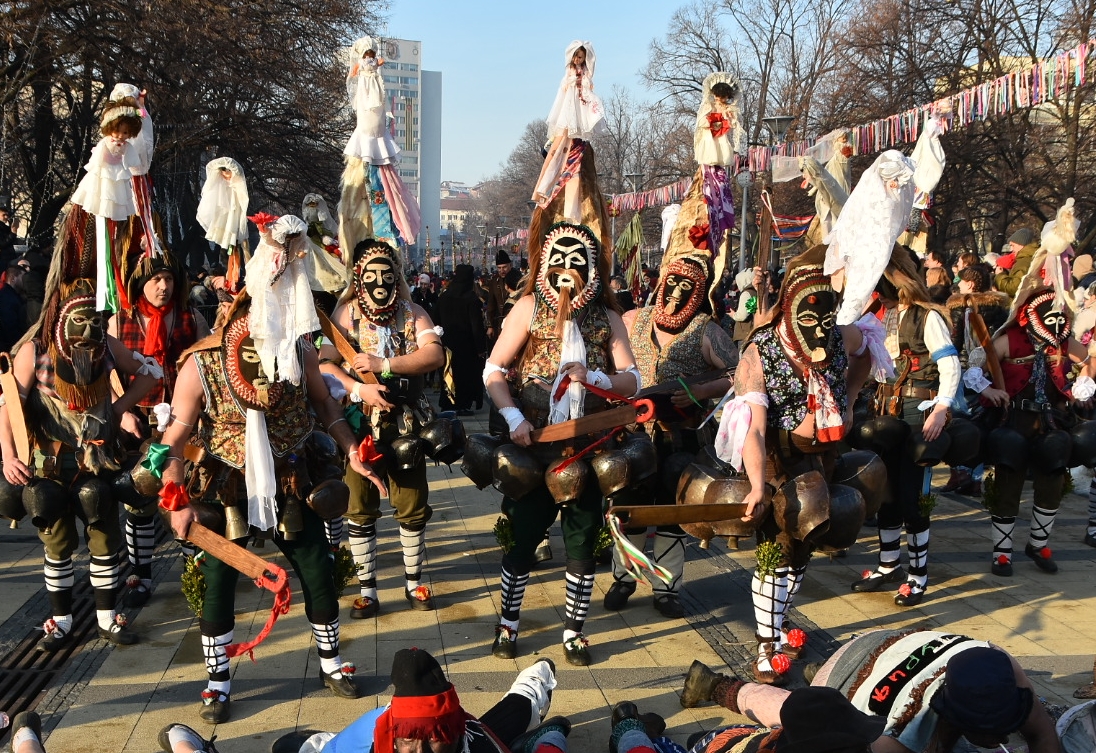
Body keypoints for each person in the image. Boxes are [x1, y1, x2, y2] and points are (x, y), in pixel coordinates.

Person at [161, 222, 387, 722]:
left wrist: (352, 448)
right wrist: (173, 491)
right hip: (226, 480)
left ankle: (330, 663)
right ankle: (217, 683)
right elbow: (176, 430)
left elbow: (325, 405)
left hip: (291, 474)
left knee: (315, 565)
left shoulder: (300, 351)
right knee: (220, 572)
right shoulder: (202, 363)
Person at [484, 221, 640, 666]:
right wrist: (512, 415)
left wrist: (594, 377)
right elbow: (493, 370)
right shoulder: (528, 308)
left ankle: (573, 631)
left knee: (582, 540)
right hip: (536, 443)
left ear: (592, 270)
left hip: (590, 446)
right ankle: (508, 624)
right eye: (559, 261)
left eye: (577, 262)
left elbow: (633, 380)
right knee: (523, 536)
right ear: (545, 266)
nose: (567, 270)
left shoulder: (608, 318)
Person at [713, 246, 872, 683]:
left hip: (823, 456)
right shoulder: (759, 352)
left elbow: (866, 352)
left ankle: (778, 624)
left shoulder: (841, 336)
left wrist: (851, 399)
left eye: (826, 316)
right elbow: (755, 430)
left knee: (804, 550)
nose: (819, 327)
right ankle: (766, 644)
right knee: (777, 552)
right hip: (778, 459)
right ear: (789, 307)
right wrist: (759, 485)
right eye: (808, 317)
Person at [0, 260, 162, 651]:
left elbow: (152, 372)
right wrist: (8, 456)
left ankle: (107, 619)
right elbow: (7, 406)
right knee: (56, 542)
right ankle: (62, 619)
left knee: (103, 536)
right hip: (50, 465)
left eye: (94, 321)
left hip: (97, 462)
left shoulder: (106, 348)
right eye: (81, 322)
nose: (89, 331)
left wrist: (120, 408)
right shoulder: (34, 350)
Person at [605, 185, 738, 619]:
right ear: (662, 282)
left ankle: (666, 587)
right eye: (673, 284)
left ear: (700, 292)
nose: (678, 294)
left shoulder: (707, 330)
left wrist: (701, 390)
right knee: (626, 510)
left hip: (678, 437)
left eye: (689, 288)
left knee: (668, 511)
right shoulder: (632, 318)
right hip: (628, 432)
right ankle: (623, 577)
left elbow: (743, 375)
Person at [319, 239, 446, 617]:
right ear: (358, 277)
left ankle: (413, 582)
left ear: (397, 276)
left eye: (386, 274)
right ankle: (368, 589)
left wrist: (384, 363)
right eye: (371, 275)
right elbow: (325, 367)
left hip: (407, 424)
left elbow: (434, 354)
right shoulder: (345, 315)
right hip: (360, 428)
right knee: (359, 507)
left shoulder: (413, 311)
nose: (379, 282)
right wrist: (359, 388)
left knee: (411, 504)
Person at [680, 629, 1061, 753]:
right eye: (988, 733)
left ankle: (816, 673)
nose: (998, 741)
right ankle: (718, 685)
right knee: (811, 714)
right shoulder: (908, 727)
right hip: (856, 664)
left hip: (908, 645)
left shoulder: (1000, 665)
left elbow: (1043, 732)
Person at [851, 248, 960, 607]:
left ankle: (918, 576)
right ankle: (888, 565)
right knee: (886, 494)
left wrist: (941, 409)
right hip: (886, 412)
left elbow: (950, 366)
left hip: (918, 413)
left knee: (913, 498)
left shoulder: (927, 317)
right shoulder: (878, 316)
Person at [108, 252, 210, 608]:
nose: (163, 286)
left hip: (183, 425)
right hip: (137, 421)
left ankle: (194, 571)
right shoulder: (118, 323)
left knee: (186, 497)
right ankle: (140, 575)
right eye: (155, 280)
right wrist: (121, 411)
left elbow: (206, 364)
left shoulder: (191, 318)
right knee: (139, 501)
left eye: (168, 279)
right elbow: (105, 373)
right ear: (140, 284)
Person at [291, 648, 558, 753]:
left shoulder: (481, 744)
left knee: (518, 710)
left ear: (454, 733)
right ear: (394, 736)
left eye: (432, 740)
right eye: (408, 741)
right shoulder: (380, 736)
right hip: (362, 737)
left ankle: (535, 681)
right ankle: (320, 741)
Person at [940, 263, 1008, 495]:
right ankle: (977, 478)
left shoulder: (960, 308)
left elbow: (955, 343)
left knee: (960, 424)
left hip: (964, 371)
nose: (958, 285)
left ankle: (960, 473)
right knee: (983, 424)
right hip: (992, 372)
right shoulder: (1000, 309)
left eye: (962, 281)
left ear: (970, 284)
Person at [533, 42, 607, 207]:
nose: (577, 60)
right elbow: (564, 87)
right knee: (562, 138)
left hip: (579, 107)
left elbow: (589, 83)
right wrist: (573, 81)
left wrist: (585, 84)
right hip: (569, 108)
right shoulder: (570, 72)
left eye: (580, 57)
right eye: (576, 56)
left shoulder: (585, 72)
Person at [69, 84, 153, 223]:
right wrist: (95, 167)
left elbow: (137, 154)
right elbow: (98, 157)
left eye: (125, 133)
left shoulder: (128, 143)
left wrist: (131, 165)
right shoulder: (106, 142)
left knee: (118, 196)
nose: (121, 136)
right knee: (101, 196)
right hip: (104, 172)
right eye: (118, 131)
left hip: (120, 172)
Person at [436, 264, 487, 415]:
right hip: (466, 346)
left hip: (447, 344)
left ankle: (448, 402)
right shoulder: (471, 299)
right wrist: (480, 348)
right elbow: (476, 326)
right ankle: (462, 404)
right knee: (465, 376)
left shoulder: (444, 297)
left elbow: (435, 319)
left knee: (448, 373)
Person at [344, 36, 399, 165]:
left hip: (373, 90)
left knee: (376, 115)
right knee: (368, 115)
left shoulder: (369, 65)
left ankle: (374, 146)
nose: (369, 57)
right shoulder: (363, 65)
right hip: (367, 91)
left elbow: (378, 63)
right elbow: (355, 72)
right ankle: (370, 147)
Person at [195, 157, 249, 279]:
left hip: (235, 217)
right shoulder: (220, 187)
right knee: (228, 245)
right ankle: (231, 272)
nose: (225, 175)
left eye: (227, 172)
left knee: (239, 245)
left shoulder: (238, 185)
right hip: (225, 218)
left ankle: (238, 273)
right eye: (223, 172)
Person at [694, 75, 742, 167]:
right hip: (710, 136)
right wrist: (711, 122)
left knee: (721, 155)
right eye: (717, 95)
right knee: (710, 157)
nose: (719, 99)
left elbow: (734, 124)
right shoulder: (708, 106)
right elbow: (701, 121)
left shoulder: (730, 108)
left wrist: (729, 118)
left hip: (722, 137)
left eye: (722, 96)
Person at [995, 227, 1038, 298]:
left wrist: (999, 275)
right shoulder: (1032, 258)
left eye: (1013, 245)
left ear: (1021, 244)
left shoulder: (1024, 262)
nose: (1011, 249)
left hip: (1022, 305)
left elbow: (1014, 288)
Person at [486, 249, 514, 341]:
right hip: (499, 323)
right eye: (499, 268)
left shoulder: (518, 279)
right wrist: (490, 326)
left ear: (510, 265)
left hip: (514, 320)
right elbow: (491, 304)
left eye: (504, 267)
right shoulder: (494, 281)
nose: (502, 270)